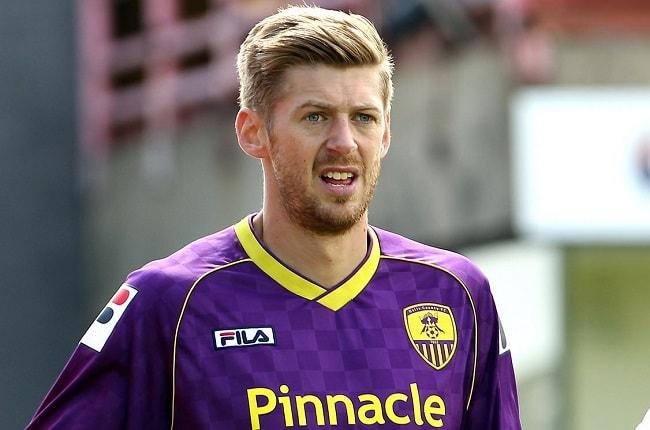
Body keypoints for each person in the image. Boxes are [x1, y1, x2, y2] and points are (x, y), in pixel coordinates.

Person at [27, 5, 521, 429]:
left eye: (363, 118)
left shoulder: (455, 294)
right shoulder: (169, 303)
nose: (344, 142)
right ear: (253, 132)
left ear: (386, 133)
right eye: (315, 117)